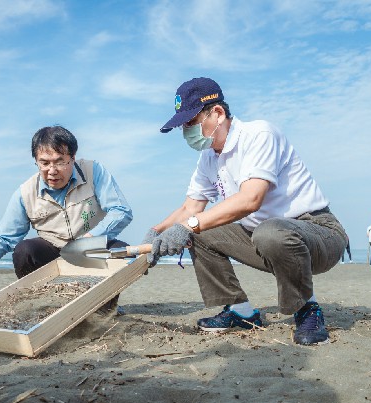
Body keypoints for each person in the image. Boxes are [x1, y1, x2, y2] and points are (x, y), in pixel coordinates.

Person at [145, 77, 347, 346]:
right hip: (261, 237)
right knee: (201, 233)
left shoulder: (259, 135)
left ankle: (307, 309)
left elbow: (251, 199)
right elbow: (190, 208)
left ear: (217, 112)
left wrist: (188, 225)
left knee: (268, 231)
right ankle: (240, 312)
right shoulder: (208, 158)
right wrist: (157, 232)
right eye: (183, 126)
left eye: (191, 122)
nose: (186, 131)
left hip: (316, 233)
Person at [0, 126, 133, 311]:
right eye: (44, 163)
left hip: (92, 249)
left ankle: (105, 305)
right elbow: (4, 237)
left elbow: (121, 211)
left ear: (73, 158)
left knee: (122, 252)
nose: (52, 171)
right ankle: (51, 304)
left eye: (60, 162)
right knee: (24, 250)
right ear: (36, 161)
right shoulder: (25, 192)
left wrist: (90, 240)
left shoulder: (93, 171)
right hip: (54, 253)